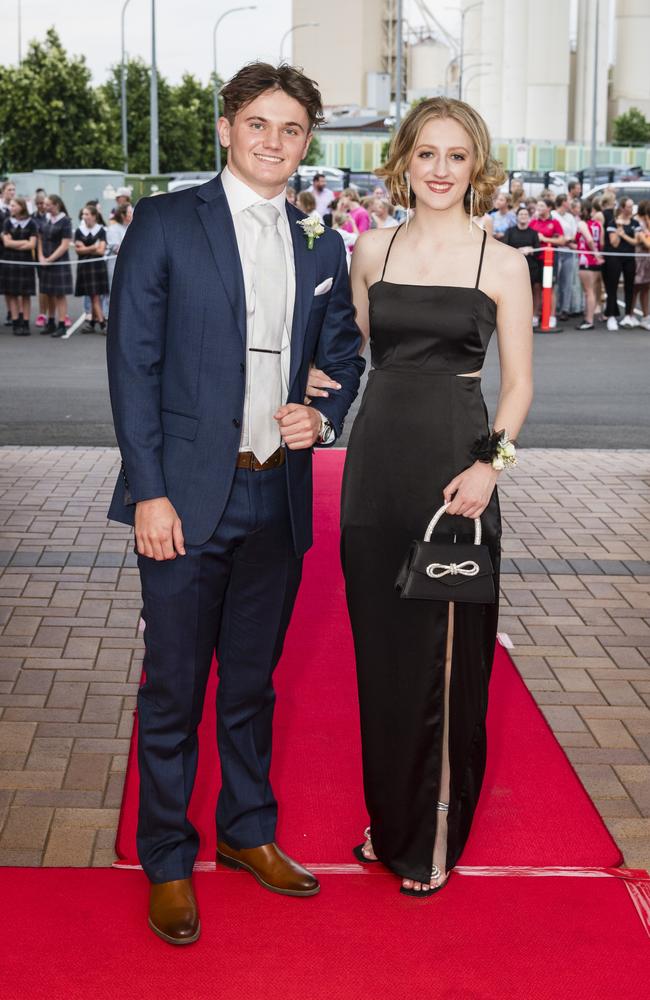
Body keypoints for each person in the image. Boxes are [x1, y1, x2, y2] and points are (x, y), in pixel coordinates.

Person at [106, 61, 364, 946]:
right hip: (183, 500)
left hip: (276, 499)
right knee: (174, 690)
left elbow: (344, 356)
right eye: (258, 123)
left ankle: (248, 830)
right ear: (225, 127)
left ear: (305, 142)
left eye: (291, 129)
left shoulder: (319, 243)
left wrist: (322, 415)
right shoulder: (169, 223)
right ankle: (168, 862)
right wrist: (150, 493)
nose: (273, 142)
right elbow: (132, 368)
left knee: (251, 688)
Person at [310, 96, 533, 897]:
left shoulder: (502, 261)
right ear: (403, 159)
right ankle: (391, 818)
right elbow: (360, 349)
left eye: (457, 156)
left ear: (478, 167)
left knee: (444, 662)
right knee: (385, 656)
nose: (440, 170)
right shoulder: (372, 249)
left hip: (456, 474)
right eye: (427, 153)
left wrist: (488, 469)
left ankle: (431, 835)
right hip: (376, 466)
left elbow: (519, 390)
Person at [602, 196, 641, 330]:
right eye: (629, 206)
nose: (631, 209)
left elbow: (636, 242)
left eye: (632, 206)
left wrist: (623, 234)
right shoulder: (613, 223)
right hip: (615, 258)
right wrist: (618, 231)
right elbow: (614, 243)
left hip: (629, 257)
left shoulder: (635, 223)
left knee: (630, 286)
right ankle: (611, 315)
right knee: (612, 286)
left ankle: (629, 315)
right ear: (623, 208)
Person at [38, 194, 73, 338]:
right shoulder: (45, 219)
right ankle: (50, 321)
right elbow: (40, 239)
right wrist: (40, 256)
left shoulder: (65, 221)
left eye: (47, 204)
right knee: (48, 292)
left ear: (56, 205)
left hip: (58, 262)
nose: (44, 207)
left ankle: (61, 324)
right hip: (45, 261)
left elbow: (65, 245)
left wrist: (50, 259)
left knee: (59, 294)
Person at [1, 196, 38, 335]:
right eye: (10, 205)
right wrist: (23, 242)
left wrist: (14, 243)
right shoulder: (7, 222)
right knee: (12, 294)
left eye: (13, 205)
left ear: (21, 207)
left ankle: (25, 323)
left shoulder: (31, 223)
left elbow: (32, 244)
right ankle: (16, 322)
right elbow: (6, 243)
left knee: (25, 294)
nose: (11, 208)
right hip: (10, 262)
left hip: (25, 262)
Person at [529, 198, 565, 327]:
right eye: (538, 205)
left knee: (549, 287)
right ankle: (535, 315)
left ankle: (551, 316)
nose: (538, 207)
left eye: (542, 205)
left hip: (550, 260)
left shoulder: (555, 222)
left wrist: (544, 238)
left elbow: (562, 240)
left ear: (549, 208)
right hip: (535, 260)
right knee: (536, 287)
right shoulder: (533, 222)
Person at [74, 203, 109, 333]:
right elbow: (78, 251)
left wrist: (86, 249)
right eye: (83, 214)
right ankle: (99, 323)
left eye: (87, 214)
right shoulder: (79, 231)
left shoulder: (101, 230)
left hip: (97, 266)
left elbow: (101, 251)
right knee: (93, 295)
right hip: (85, 267)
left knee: (95, 295)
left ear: (94, 216)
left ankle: (98, 322)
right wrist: (93, 247)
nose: (84, 216)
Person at [503, 204, 541, 323]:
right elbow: (505, 249)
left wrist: (531, 250)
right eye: (521, 214)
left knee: (534, 291)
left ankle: (534, 316)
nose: (523, 216)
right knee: (515, 293)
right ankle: (514, 316)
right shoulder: (510, 231)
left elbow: (538, 250)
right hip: (514, 268)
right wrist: (518, 251)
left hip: (532, 267)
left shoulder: (533, 233)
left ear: (529, 217)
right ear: (517, 217)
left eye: (525, 214)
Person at [574, 199, 604, 330]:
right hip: (595, 261)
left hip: (587, 260)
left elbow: (590, 240)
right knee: (591, 290)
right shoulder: (598, 224)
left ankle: (589, 320)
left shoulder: (581, 223)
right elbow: (601, 242)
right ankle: (588, 317)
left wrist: (595, 254)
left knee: (588, 291)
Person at [552, 193, 579, 321]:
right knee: (555, 282)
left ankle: (565, 309)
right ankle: (555, 308)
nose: (570, 203)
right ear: (563, 202)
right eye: (568, 201)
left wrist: (566, 241)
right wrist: (564, 241)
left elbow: (574, 233)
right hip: (556, 251)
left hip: (568, 252)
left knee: (567, 281)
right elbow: (555, 234)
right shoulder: (553, 214)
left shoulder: (570, 217)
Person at [31, 190, 49, 329]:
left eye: (42, 203)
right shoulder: (33, 218)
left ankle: (54, 313)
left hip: (52, 254)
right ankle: (42, 313)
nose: (40, 206)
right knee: (42, 285)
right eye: (38, 204)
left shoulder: (51, 216)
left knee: (53, 287)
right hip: (38, 255)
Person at [1, 179, 17, 326]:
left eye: (13, 190)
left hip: (13, 251)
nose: (12, 192)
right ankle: (10, 311)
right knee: (5, 284)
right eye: (9, 190)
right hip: (2, 249)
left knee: (13, 283)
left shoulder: (17, 207)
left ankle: (14, 313)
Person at [633, 200, 650, 330]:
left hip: (647, 259)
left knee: (646, 288)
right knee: (635, 287)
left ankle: (645, 316)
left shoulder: (646, 222)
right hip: (638, 258)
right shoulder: (636, 222)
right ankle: (630, 314)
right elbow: (644, 242)